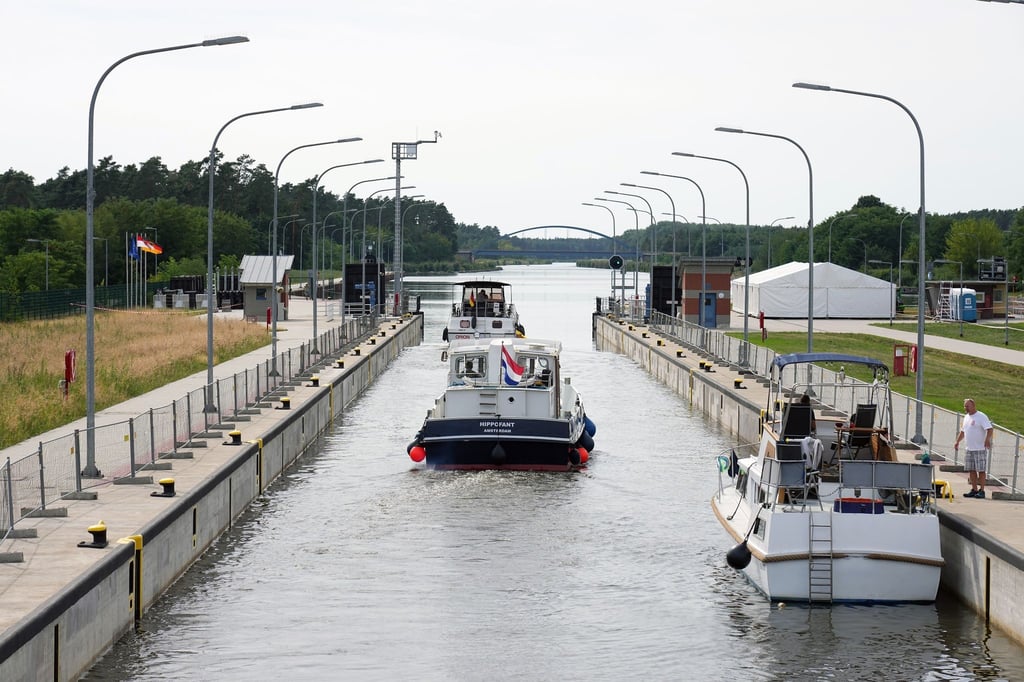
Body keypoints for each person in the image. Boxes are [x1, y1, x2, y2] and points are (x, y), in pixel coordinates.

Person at [954, 398, 994, 498]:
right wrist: (957, 441)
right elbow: (963, 431)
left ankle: (982, 490)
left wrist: (987, 439)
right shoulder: (966, 417)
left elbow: (989, 429)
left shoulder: (981, 416)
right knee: (971, 469)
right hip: (969, 448)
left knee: (981, 470)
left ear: (973, 406)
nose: (965, 408)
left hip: (979, 448)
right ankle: (974, 489)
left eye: (967, 406)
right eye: (965, 406)